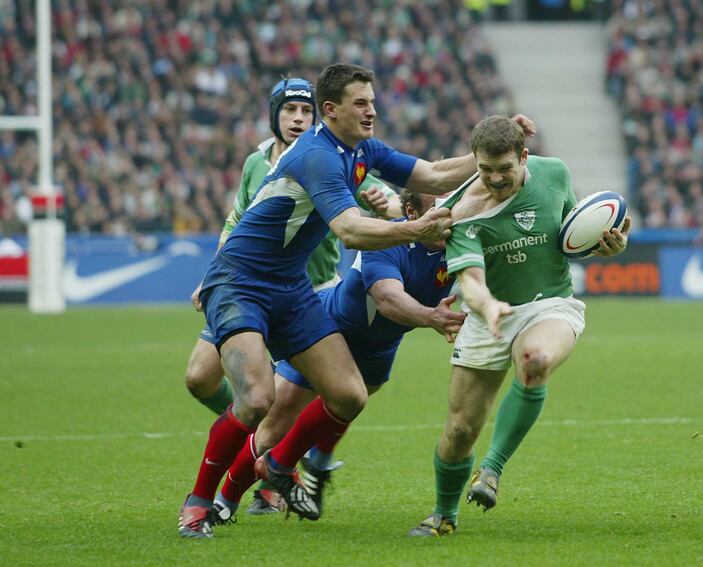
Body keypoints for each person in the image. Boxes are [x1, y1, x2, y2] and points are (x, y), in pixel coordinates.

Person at [178, 63, 535, 537]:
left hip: (290, 288)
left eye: (372, 101)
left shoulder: (362, 149)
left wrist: (492, 149)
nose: (372, 111)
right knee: (258, 398)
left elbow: (432, 174)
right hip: (241, 280)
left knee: (349, 395)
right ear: (331, 110)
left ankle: (279, 466)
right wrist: (415, 229)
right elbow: (349, 229)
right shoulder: (318, 155)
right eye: (361, 103)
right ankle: (199, 503)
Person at [181, 77, 401, 515]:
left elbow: (388, 199)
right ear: (274, 115)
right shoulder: (256, 162)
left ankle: (246, 482)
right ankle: (263, 443)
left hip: (309, 291)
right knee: (201, 377)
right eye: (289, 110)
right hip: (244, 283)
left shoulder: (334, 157)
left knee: (276, 399)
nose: (298, 119)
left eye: (305, 111)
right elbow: (237, 218)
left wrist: (394, 210)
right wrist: (212, 273)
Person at [408, 116, 630, 537]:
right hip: (489, 314)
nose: (495, 178)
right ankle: (444, 514)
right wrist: (488, 305)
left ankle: (491, 469)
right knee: (460, 429)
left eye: (504, 169)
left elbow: (571, 238)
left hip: (550, 304)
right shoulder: (459, 213)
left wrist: (608, 245)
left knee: (535, 359)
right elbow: (471, 283)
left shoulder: (555, 174)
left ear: (524, 157)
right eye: (485, 169)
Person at [208, 190, 467, 523]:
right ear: (412, 213)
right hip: (328, 332)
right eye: (439, 208)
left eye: (452, 206)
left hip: (380, 348)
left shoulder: (461, 244)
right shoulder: (385, 238)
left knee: (343, 407)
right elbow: (388, 299)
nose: (448, 214)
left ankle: (314, 462)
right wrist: (432, 317)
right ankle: (224, 502)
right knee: (275, 425)